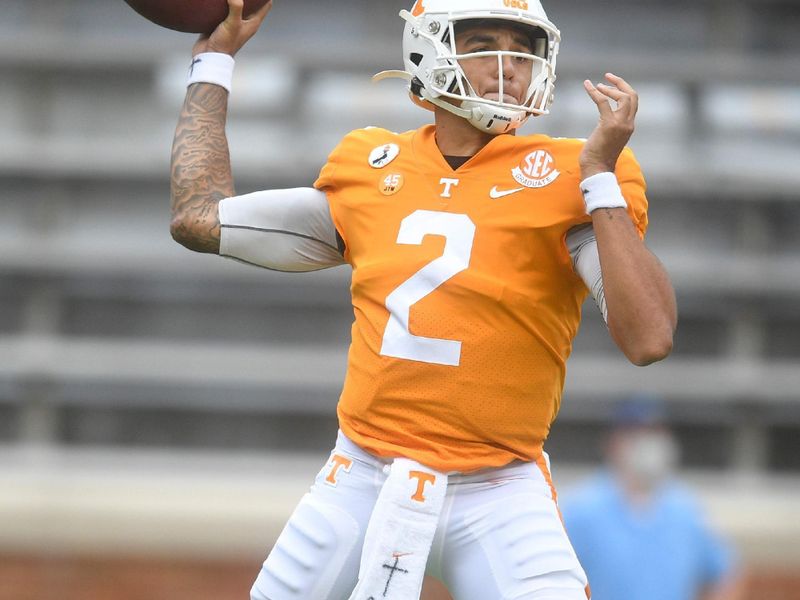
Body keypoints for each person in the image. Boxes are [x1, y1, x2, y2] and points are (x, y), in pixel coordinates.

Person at [169, 0, 677, 598]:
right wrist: (213, 62)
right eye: (483, 43)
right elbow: (197, 219)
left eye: (522, 47)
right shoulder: (369, 163)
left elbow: (648, 340)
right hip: (362, 473)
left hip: (500, 488)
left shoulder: (570, 173)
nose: (508, 65)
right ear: (427, 50)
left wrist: (599, 178)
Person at [561, 396, 745, 600]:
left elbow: (724, 572)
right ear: (613, 441)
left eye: (654, 432)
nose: (646, 442)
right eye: (635, 432)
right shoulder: (582, 510)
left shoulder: (684, 509)